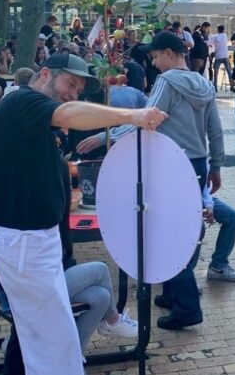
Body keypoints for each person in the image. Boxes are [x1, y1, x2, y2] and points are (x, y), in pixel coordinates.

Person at [0, 52, 167, 375]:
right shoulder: (25, 102)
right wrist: (132, 117)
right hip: (23, 243)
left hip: (34, 241)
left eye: (80, 89)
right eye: (70, 84)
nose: (73, 93)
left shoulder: (35, 114)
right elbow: (70, 111)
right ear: (45, 75)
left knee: (35, 330)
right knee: (32, 334)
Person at [82, 31, 224, 331]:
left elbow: (147, 119)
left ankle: (187, 307)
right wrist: (217, 165)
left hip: (170, 162)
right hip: (197, 161)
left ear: (171, 53)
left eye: (156, 56)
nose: (155, 63)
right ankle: (172, 296)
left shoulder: (167, 81)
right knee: (185, 227)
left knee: (170, 232)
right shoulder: (205, 83)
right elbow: (215, 128)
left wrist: (103, 137)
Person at [202, 184, 235, 282]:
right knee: (199, 228)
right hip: (182, 200)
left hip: (203, 198)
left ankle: (217, 267)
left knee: (232, 217)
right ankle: (182, 277)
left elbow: (206, 189)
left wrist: (209, 206)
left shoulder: (207, 168)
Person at [211, 24, 231, 88]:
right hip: (225, 55)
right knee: (229, 71)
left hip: (218, 56)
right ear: (223, 30)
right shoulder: (225, 36)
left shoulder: (215, 37)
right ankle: (232, 86)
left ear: (217, 30)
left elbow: (209, 43)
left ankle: (215, 86)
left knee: (216, 72)